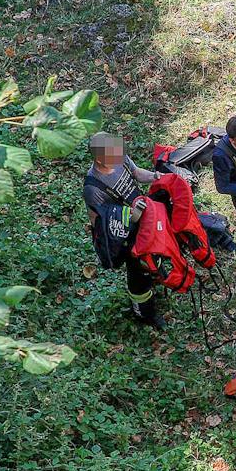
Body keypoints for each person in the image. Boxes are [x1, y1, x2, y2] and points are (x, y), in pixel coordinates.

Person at [83, 132, 163, 329]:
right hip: (127, 238)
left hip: (144, 221)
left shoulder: (120, 158)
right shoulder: (93, 188)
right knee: (138, 276)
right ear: (100, 158)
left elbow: (136, 173)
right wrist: (129, 218)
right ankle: (145, 313)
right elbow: (101, 225)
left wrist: (154, 176)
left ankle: (157, 277)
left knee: (155, 257)